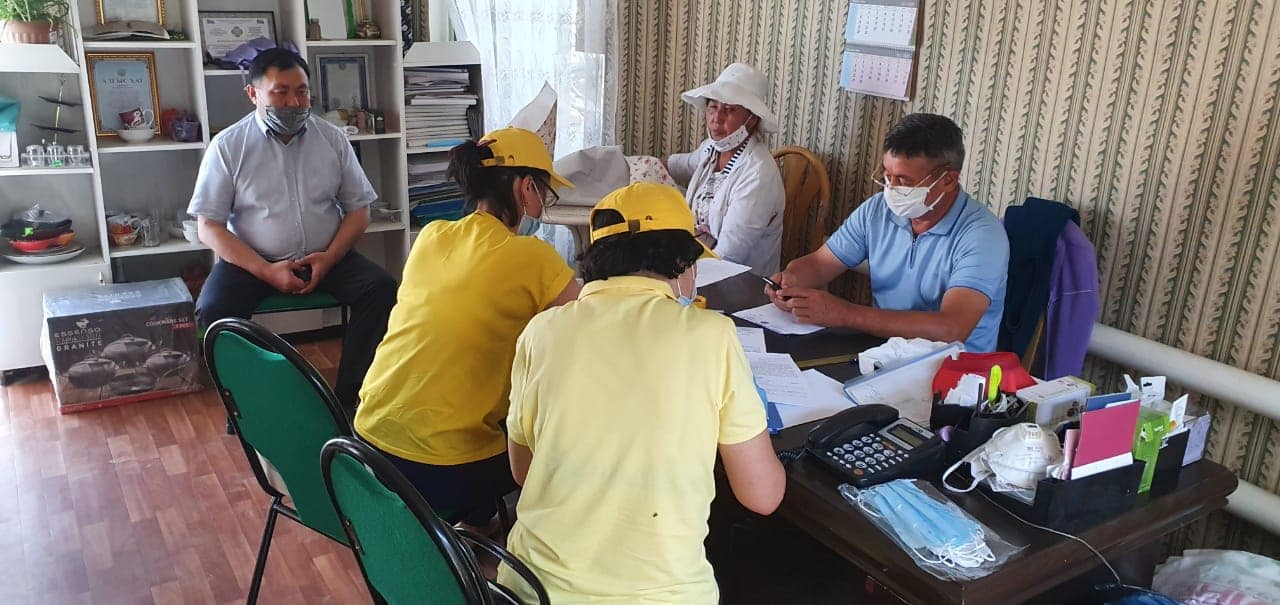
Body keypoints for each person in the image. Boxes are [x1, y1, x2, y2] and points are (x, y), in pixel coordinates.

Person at [498, 182, 786, 603]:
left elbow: (523, 472)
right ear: (681, 264)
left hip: (531, 590)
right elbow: (763, 496)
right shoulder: (712, 336)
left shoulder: (541, 331)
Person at [354, 127, 581, 531]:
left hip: (367, 447)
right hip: (440, 470)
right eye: (545, 191)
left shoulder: (432, 235)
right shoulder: (532, 256)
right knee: (556, 438)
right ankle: (484, 524)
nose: (544, 203)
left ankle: (468, 521)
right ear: (526, 187)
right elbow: (591, 325)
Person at [188, 48, 397, 413]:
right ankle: (249, 407)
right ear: (253, 94)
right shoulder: (229, 146)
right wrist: (265, 270)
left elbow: (359, 209)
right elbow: (208, 226)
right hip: (252, 261)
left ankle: (350, 402)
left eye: (302, 91)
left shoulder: (331, 139)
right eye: (280, 92)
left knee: (380, 290)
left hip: (326, 255)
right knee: (213, 309)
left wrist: (329, 258)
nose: (294, 102)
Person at [766, 113, 1009, 352]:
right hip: (882, 352)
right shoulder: (877, 210)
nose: (891, 188)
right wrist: (791, 279)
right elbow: (820, 264)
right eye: (887, 175)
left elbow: (951, 328)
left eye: (904, 181)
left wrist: (844, 313)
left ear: (948, 180)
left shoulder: (982, 236)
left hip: (954, 369)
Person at [666, 63, 786, 275]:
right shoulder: (711, 150)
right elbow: (680, 165)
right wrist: (639, 164)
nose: (717, 118)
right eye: (713, 107)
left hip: (739, 282)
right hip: (696, 267)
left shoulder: (758, 175)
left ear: (751, 120)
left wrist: (674, 275)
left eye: (729, 110)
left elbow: (729, 256)